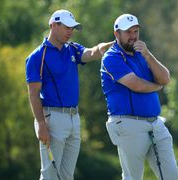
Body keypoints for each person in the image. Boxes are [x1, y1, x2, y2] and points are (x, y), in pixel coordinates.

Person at [26, 9, 113, 180]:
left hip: (74, 118)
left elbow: (91, 53)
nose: (70, 32)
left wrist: (107, 46)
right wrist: (41, 124)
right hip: (52, 118)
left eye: (72, 28)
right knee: (50, 174)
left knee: (66, 175)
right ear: (53, 25)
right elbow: (34, 95)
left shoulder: (72, 49)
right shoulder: (37, 57)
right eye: (67, 27)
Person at [100, 14, 178, 180]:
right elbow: (136, 85)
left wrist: (148, 56)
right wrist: (157, 87)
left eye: (135, 31)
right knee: (132, 177)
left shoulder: (142, 54)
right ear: (116, 34)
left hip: (155, 123)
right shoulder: (111, 57)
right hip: (127, 123)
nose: (133, 36)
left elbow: (165, 78)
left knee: (171, 175)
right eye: (128, 32)